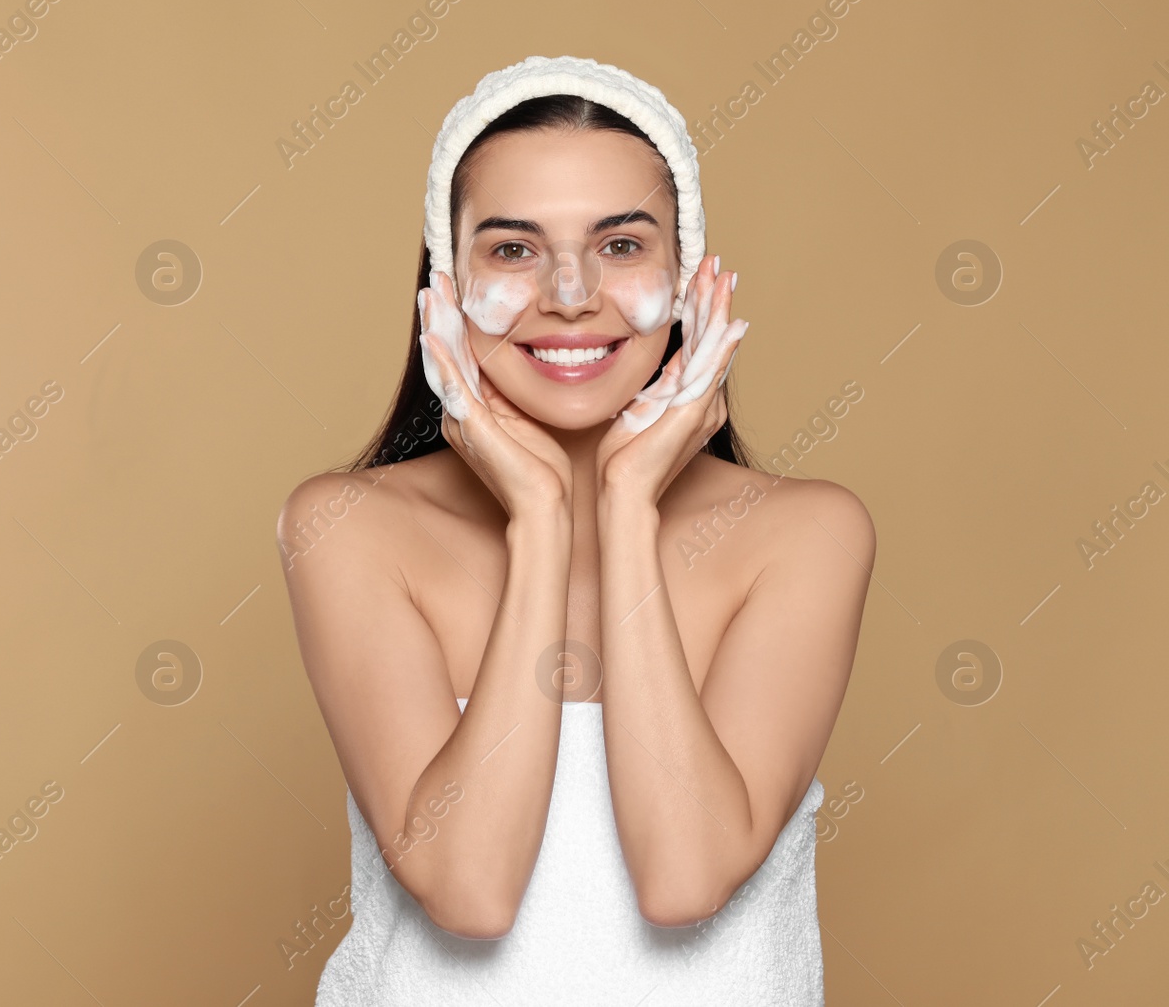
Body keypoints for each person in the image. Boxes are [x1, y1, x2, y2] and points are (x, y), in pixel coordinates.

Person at [277, 55, 875, 1005]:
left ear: (688, 279)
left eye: (622, 245)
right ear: (443, 286)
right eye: (513, 249)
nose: (568, 293)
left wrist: (629, 502)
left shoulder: (806, 535)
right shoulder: (349, 527)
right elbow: (468, 890)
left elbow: (686, 879)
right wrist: (544, 517)